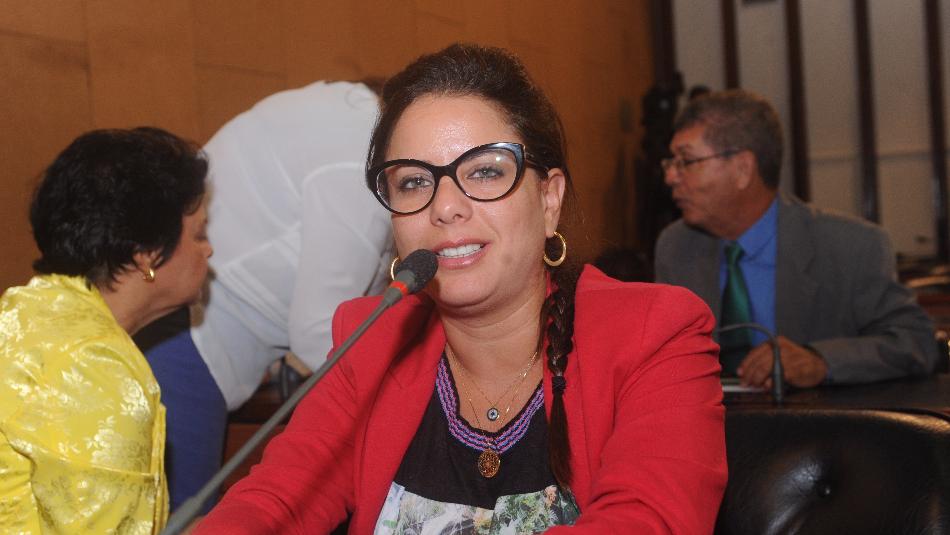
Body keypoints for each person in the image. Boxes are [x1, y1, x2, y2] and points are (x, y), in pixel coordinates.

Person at [194, 43, 726, 534]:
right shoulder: (368, 342)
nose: (445, 206)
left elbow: (646, 520)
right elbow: (272, 503)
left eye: (486, 172)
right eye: (413, 181)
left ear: (549, 200)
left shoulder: (656, 333)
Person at [136, 80, 394, 512]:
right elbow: (323, 334)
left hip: (172, 325)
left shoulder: (338, 114)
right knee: (177, 521)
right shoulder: (363, 154)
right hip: (188, 341)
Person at [0, 127, 212, 533]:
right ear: (147, 254)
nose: (209, 249)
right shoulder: (95, 367)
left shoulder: (26, 312)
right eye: (199, 234)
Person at [654, 89, 938, 388]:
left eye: (685, 161)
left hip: (820, 417)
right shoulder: (676, 247)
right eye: (670, 163)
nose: (670, 177)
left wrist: (821, 361)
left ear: (743, 169)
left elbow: (915, 342)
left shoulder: (850, 245)